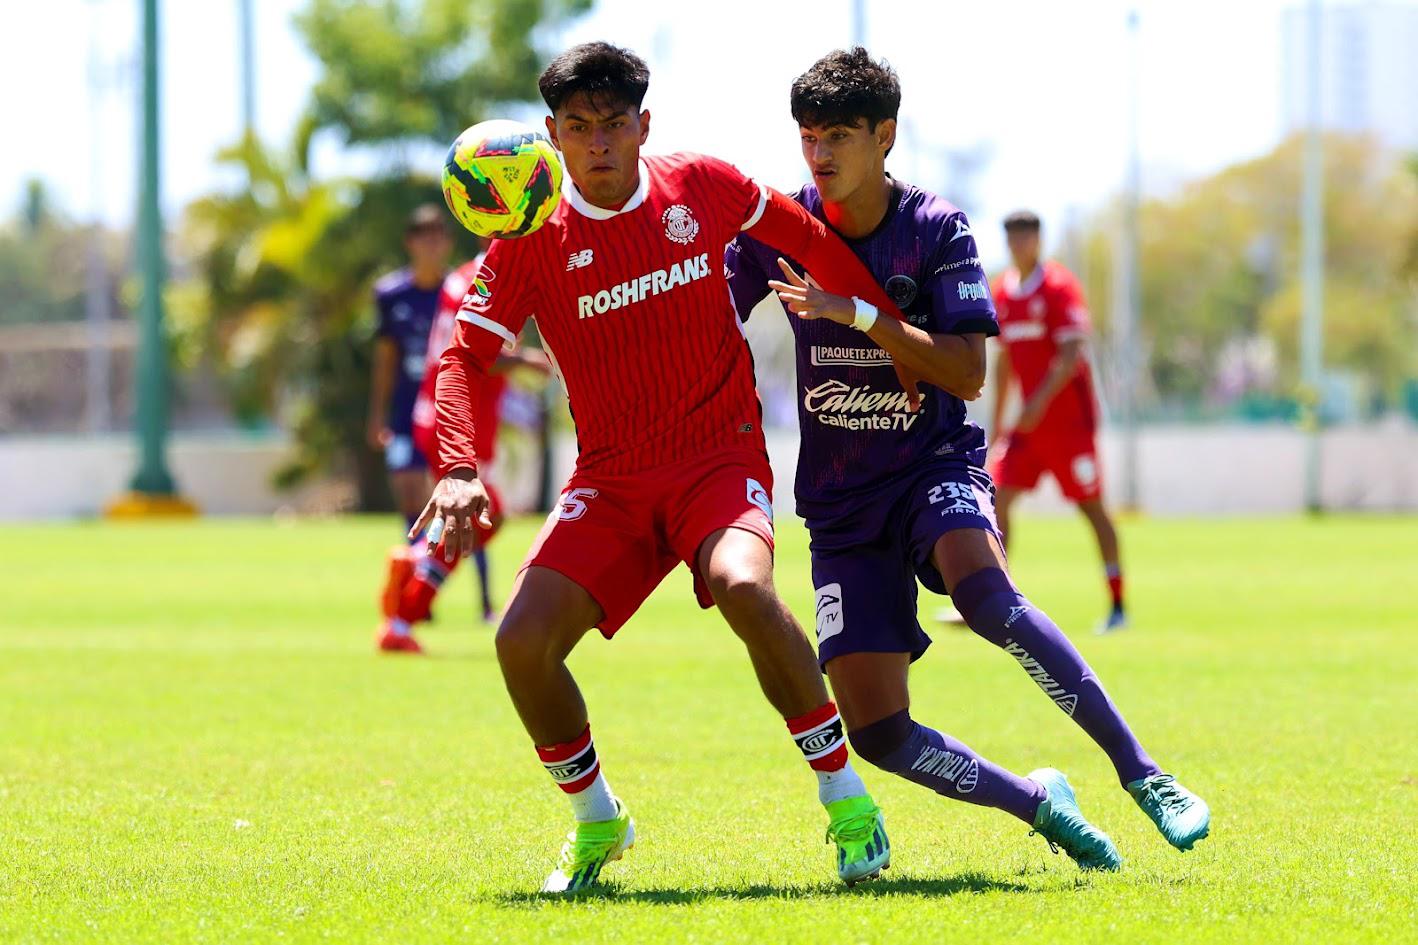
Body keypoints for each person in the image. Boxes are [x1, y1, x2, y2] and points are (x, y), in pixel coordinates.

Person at [413, 42, 921, 893]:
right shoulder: (529, 240)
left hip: (718, 459)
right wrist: (460, 466)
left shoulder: (702, 185)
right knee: (522, 642)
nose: (598, 143)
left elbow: (806, 238)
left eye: (614, 124)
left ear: (643, 126)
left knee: (744, 585)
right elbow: (462, 358)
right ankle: (597, 819)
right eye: (579, 127)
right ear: (551, 136)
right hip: (609, 480)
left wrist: (885, 330)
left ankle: (846, 799)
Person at [727, 47, 1209, 872]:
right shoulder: (781, 229)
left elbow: (967, 372)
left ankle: (1145, 774)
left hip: (932, 465)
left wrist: (856, 313)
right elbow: (703, 317)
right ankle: (1039, 803)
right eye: (807, 136)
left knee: (987, 597)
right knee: (879, 732)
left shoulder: (935, 228)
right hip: (840, 501)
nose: (818, 154)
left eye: (838, 135)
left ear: (884, 135)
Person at [377, 255, 552, 653]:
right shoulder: (491, 276)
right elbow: (474, 353)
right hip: (460, 420)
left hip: (444, 413)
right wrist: (527, 360)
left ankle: (415, 569)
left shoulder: (463, 275)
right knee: (481, 516)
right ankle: (403, 614)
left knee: (478, 518)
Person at [990, 210, 1127, 633]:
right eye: (1013, 238)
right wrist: (998, 422)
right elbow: (1005, 361)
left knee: (1092, 509)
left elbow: (1070, 355)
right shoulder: (1003, 292)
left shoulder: (1059, 287)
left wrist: (1037, 403)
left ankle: (1118, 605)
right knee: (995, 501)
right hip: (1027, 430)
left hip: (1068, 427)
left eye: (1026, 237)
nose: (1019, 245)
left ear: (1038, 240)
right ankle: (996, 602)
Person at [371, 206, 452, 650]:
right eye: (422, 234)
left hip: (449, 415)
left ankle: (479, 600)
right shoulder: (391, 294)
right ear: (410, 242)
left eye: (437, 234)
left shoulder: (458, 290)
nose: (430, 242)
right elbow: (386, 359)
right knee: (410, 498)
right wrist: (378, 415)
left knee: (459, 508)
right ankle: (418, 579)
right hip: (406, 414)